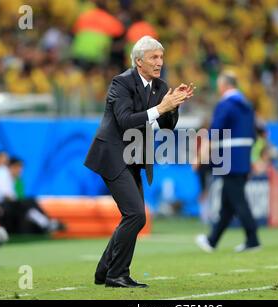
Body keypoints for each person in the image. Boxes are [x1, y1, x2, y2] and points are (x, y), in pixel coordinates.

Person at [84, 36, 195, 288]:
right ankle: (116, 274)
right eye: (154, 57)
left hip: (133, 157)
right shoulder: (121, 82)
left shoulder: (159, 86)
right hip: (113, 154)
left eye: (161, 57)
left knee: (134, 216)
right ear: (138, 61)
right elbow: (124, 120)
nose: (160, 62)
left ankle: (104, 271)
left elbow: (167, 126)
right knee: (135, 215)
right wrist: (161, 107)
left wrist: (174, 105)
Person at [195, 71, 261, 253]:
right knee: (228, 203)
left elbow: (214, 132)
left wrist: (200, 157)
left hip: (229, 159)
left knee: (238, 201)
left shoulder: (226, 104)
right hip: (242, 158)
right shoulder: (246, 106)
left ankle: (253, 239)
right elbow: (253, 136)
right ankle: (212, 241)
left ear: (224, 85)